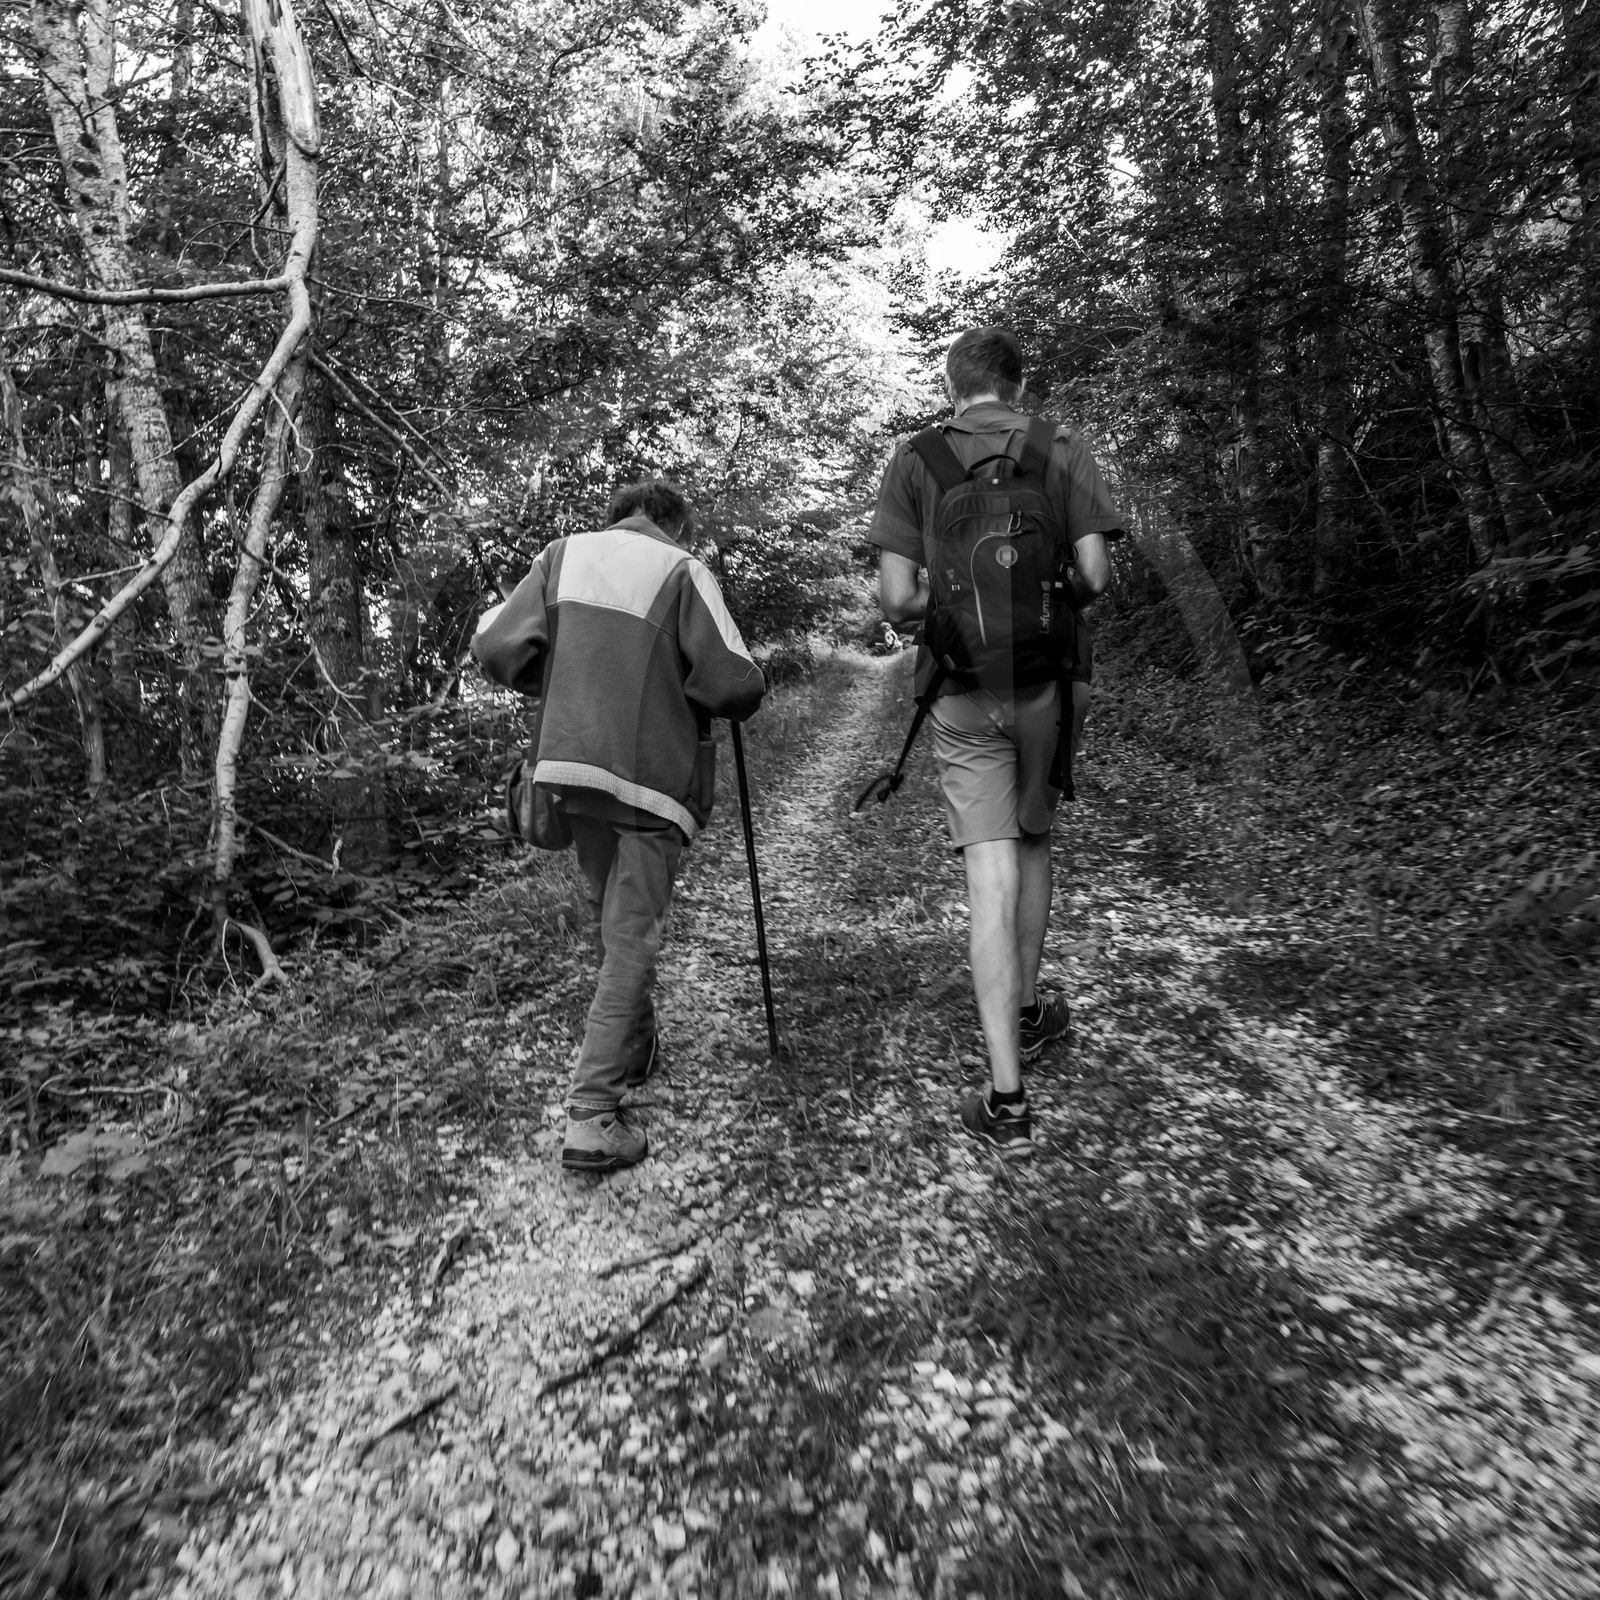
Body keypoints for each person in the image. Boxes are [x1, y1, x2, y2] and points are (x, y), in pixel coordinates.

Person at [868, 328, 1124, 1158]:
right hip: (1049, 682)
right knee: (1036, 840)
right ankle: (1025, 1007)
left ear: (952, 387)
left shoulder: (917, 460)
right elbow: (1095, 579)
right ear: (1017, 384)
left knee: (990, 871)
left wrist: (947, 610)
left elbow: (898, 597)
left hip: (961, 688)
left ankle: (1006, 1100)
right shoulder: (1061, 446)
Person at [472, 480, 765, 1172]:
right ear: (675, 523)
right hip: (650, 782)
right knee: (631, 935)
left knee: (612, 918)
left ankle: (633, 1049)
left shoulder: (562, 555)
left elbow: (494, 648)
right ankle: (592, 1116)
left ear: (617, 518)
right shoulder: (683, 569)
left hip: (570, 769)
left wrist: (566, 677)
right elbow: (736, 687)